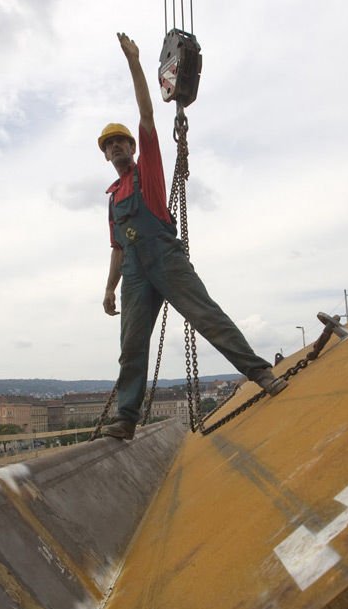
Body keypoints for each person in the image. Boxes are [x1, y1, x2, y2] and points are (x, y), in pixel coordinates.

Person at [99, 32, 286, 440]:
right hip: (133, 271)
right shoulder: (112, 198)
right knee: (131, 347)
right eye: (109, 145)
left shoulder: (146, 171)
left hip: (165, 258)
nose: (116, 148)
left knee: (206, 316)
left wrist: (134, 61)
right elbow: (116, 247)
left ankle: (261, 373)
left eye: (120, 142)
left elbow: (147, 116)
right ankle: (126, 419)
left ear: (133, 146)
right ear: (105, 154)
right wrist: (110, 289)